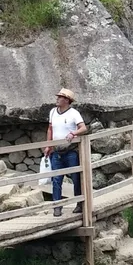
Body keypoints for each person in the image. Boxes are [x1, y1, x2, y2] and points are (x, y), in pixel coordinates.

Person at [46, 88, 87, 217]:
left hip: (70, 151)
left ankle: (79, 203)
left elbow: (83, 128)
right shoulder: (53, 112)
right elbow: (50, 129)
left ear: (67, 100)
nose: (57, 99)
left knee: (75, 177)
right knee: (57, 179)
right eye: (58, 97)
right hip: (56, 150)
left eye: (60, 97)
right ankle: (57, 206)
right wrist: (48, 145)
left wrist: (73, 133)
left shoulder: (74, 113)